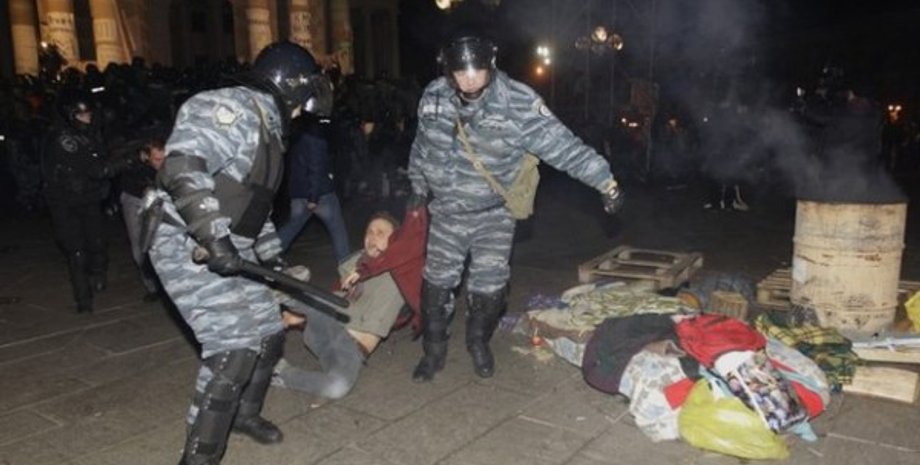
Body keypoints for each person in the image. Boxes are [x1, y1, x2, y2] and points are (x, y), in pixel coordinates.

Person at [145, 41, 331, 465]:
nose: (301, 112)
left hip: (228, 241)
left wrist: (273, 259)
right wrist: (214, 239)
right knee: (235, 347)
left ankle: (244, 415)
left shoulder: (269, 129)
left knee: (268, 333)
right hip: (185, 240)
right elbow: (181, 167)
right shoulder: (229, 107)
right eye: (302, 99)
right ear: (289, 86)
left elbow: (252, 209)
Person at [407, 36, 624, 383]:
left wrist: (605, 181)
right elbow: (422, 144)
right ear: (448, 71)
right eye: (460, 73)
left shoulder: (517, 102)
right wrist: (418, 184)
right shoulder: (434, 96)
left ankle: (478, 342)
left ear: (490, 65)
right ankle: (433, 351)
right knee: (436, 285)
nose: (469, 80)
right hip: (446, 211)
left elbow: (563, 145)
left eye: (477, 71)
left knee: (489, 289)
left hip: (493, 213)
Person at [273, 206, 427, 398]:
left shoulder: (402, 268)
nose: (372, 236)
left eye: (380, 233)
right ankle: (288, 291)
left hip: (351, 350)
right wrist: (303, 317)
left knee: (337, 387)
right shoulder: (352, 268)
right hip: (327, 330)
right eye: (369, 232)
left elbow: (413, 242)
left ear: (396, 241)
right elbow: (335, 302)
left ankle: (281, 372)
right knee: (327, 299)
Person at [41, 88, 130, 313]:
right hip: (65, 203)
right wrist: (128, 160)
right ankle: (83, 298)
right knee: (77, 251)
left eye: (88, 114)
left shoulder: (87, 134)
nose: (87, 118)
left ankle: (98, 273)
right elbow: (97, 169)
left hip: (89, 199)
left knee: (97, 243)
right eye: (82, 115)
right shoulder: (65, 140)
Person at [275, 114, 350, 262]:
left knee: (292, 227)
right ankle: (346, 266)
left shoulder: (293, 135)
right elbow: (316, 168)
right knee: (338, 231)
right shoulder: (315, 137)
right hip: (319, 194)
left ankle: (270, 254)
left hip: (298, 193)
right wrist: (313, 197)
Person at [119, 135, 166, 300]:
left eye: (163, 159)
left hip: (159, 200)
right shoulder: (133, 166)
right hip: (135, 200)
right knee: (140, 244)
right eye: (157, 159)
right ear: (146, 156)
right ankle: (151, 286)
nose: (161, 163)